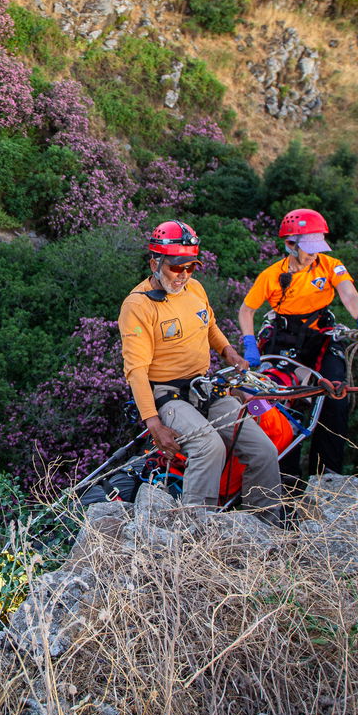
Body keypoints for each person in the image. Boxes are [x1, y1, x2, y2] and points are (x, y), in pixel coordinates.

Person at [118, 220, 281, 518]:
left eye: (191, 267)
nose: (183, 275)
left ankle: (265, 525)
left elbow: (210, 325)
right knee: (209, 447)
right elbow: (136, 370)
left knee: (263, 450)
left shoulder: (195, 289)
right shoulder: (138, 306)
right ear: (155, 263)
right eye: (176, 267)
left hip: (204, 387)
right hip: (167, 394)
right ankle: (196, 530)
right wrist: (153, 424)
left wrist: (228, 351)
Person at [237, 208, 358, 489]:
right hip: (284, 340)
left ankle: (327, 479)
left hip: (321, 336)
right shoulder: (272, 275)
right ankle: (286, 485)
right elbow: (246, 310)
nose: (315, 254)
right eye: (309, 249)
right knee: (281, 406)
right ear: (291, 244)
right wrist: (249, 343)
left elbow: (349, 293)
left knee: (335, 396)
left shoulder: (330, 265)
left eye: (318, 247)